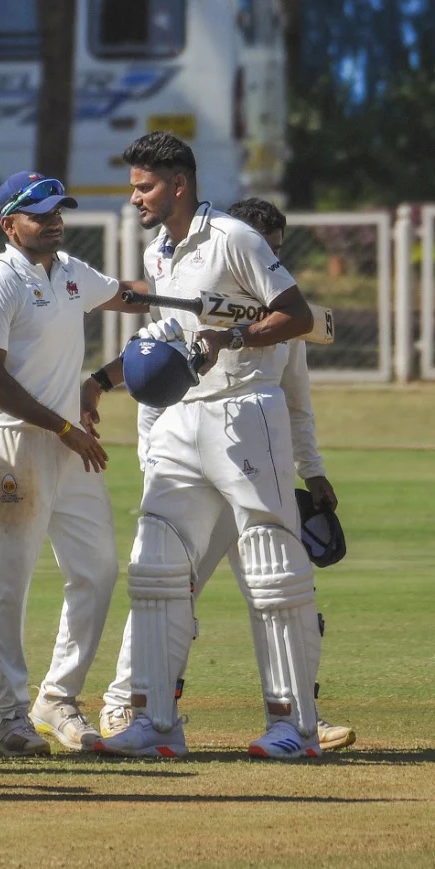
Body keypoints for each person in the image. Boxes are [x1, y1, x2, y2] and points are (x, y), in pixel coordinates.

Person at [92, 196, 355, 751]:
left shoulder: (285, 319)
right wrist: (149, 452)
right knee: (160, 574)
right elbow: (154, 376)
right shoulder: (189, 266)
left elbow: (297, 399)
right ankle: (138, 713)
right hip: (188, 446)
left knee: (274, 578)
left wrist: (314, 470)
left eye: (279, 253)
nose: (272, 261)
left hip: (253, 440)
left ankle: (296, 720)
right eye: (267, 250)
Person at [0, 171, 149, 756]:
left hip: (70, 445)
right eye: (39, 213)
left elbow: (127, 294)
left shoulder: (70, 272)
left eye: (57, 211)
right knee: (9, 581)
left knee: (96, 571)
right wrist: (66, 427)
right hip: (12, 442)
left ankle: (57, 697)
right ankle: (10, 718)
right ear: (8, 223)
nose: (53, 221)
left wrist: (195, 291)